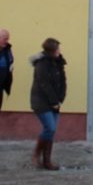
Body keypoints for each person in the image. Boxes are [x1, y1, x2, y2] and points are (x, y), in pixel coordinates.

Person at [30, 37, 67, 170]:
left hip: (55, 102)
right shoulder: (42, 64)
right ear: (51, 50)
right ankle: (36, 154)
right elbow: (44, 84)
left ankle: (47, 161)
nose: (59, 51)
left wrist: (60, 99)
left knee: (51, 131)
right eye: (57, 48)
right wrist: (53, 102)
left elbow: (63, 81)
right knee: (50, 128)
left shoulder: (58, 62)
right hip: (41, 101)